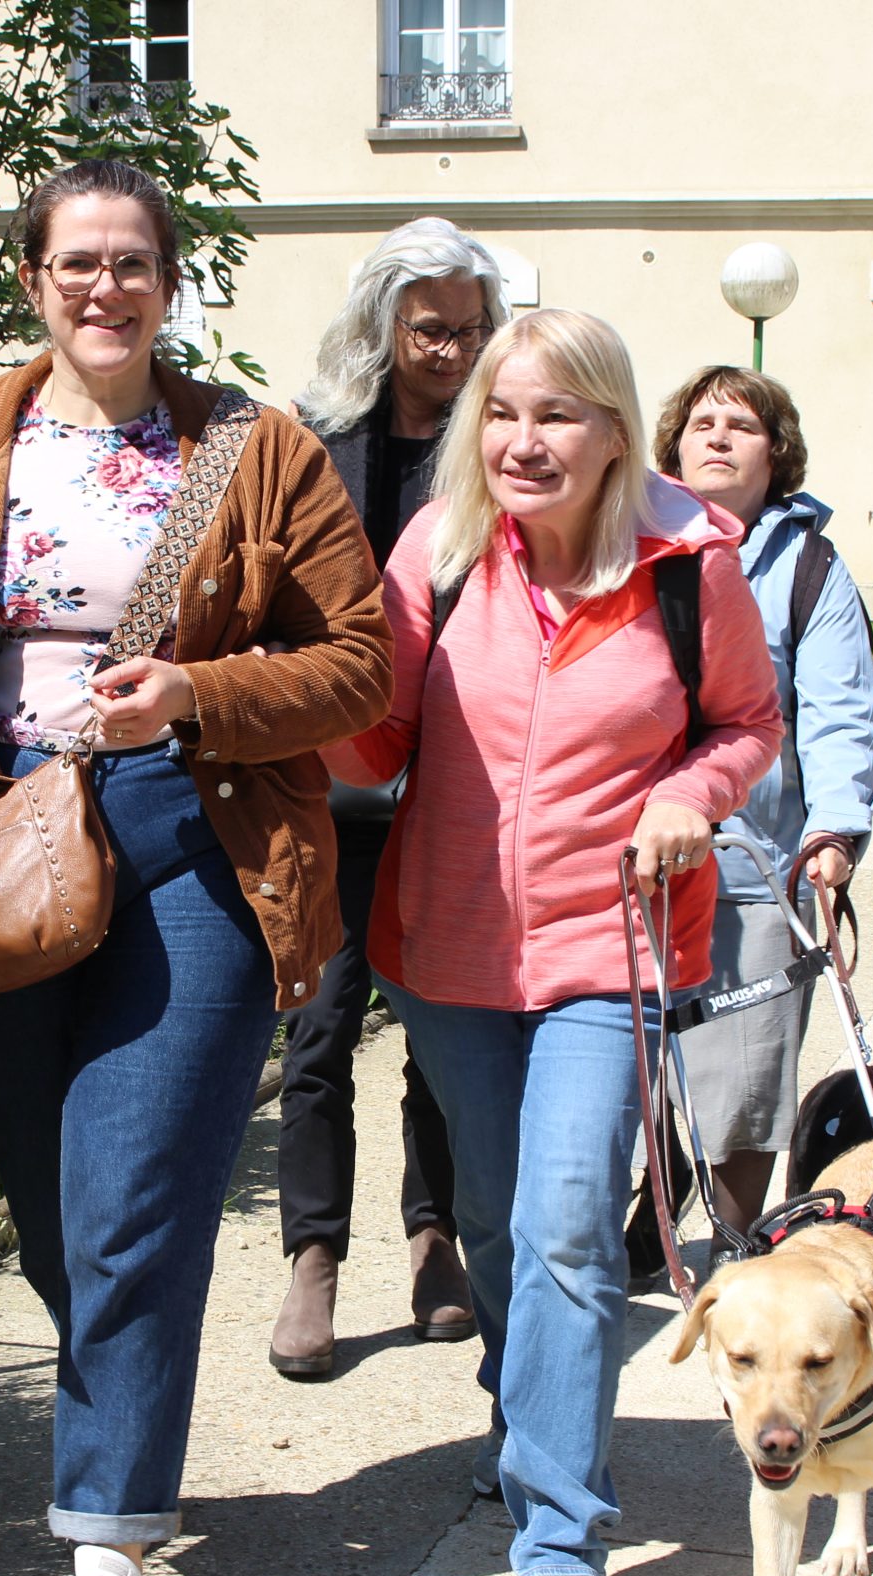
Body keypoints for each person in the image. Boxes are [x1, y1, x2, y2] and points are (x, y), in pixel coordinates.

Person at [0, 158, 390, 1576]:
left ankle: (106, 1553)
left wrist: (198, 690)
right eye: (77, 261)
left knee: (134, 1200)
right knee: (59, 1213)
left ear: (168, 281)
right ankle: (126, 1425)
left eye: (133, 261)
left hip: (196, 838)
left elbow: (361, 662)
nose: (105, 287)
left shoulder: (257, 451)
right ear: (33, 280)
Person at [324, 307, 783, 1576]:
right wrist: (296, 693)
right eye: (503, 413)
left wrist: (692, 793)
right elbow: (373, 741)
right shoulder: (439, 549)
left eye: (556, 415)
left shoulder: (691, 562)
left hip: (610, 943)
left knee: (573, 1222)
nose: (523, 442)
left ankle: (561, 1538)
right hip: (452, 943)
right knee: (493, 1218)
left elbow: (747, 721)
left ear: (614, 432)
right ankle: (526, 1407)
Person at [267, 216, 510, 1376]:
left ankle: (433, 1241)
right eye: (428, 330)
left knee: (438, 1037)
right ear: (383, 324)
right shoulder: (316, 442)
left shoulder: (499, 453)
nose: (450, 352)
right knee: (316, 1035)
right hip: (327, 784)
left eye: (469, 330)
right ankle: (312, 1260)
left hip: (458, 784)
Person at [635, 365, 873, 1260]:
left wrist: (833, 833)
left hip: (752, 868)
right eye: (701, 422)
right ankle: (645, 1221)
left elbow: (840, 714)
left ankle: (733, 1255)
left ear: (775, 453)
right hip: (623, 866)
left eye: (741, 425)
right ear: (672, 446)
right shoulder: (626, 539)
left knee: (743, 1079)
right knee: (632, 1070)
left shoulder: (808, 566)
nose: (718, 436)